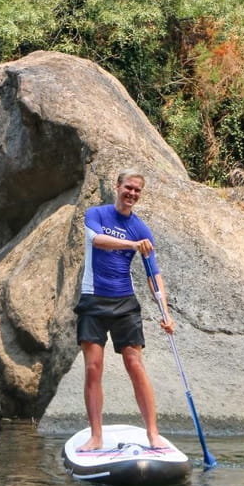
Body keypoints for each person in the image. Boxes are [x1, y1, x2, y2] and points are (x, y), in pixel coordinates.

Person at [74, 169, 175, 452]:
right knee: (93, 367)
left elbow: (154, 274)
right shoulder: (96, 214)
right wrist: (132, 245)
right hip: (93, 299)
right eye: (128, 187)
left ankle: (153, 434)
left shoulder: (141, 229)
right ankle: (96, 436)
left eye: (137, 190)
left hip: (124, 302)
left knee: (135, 365)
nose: (132, 193)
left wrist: (165, 313)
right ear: (117, 186)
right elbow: (97, 241)